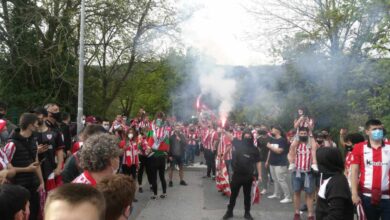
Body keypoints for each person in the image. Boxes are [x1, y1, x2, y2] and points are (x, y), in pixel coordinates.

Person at [4, 113, 45, 220]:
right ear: (30, 125)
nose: (38, 126)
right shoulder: (11, 144)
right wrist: (26, 169)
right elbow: (5, 169)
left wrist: (41, 182)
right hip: (19, 187)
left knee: (34, 214)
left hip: (34, 186)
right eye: (37, 123)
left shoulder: (33, 140)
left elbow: (36, 163)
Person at [351, 119, 390, 220]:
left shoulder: (389, 146)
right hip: (366, 196)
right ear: (367, 131)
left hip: (388, 196)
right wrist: (354, 194)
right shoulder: (359, 148)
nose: (378, 131)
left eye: (380, 129)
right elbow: (354, 172)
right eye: (374, 129)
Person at [223, 129, 262, 220]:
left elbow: (258, 162)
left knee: (247, 195)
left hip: (248, 175)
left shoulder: (254, 149)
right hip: (237, 174)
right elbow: (231, 137)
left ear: (252, 137)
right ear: (243, 136)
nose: (247, 137)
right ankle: (229, 212)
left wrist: (259, 175)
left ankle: (247, 213)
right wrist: (224, 130)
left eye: (249, 136)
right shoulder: (238, 143)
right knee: (233, 195)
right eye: (246, 136)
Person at [316, 147, 354, 220]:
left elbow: (335, 215)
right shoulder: (330, 178)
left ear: (327, 163)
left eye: (320, 163)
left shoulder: (337, 183)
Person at [289, 127, 317, 220]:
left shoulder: (311, 143)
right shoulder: (296, 143)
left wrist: (310, 133)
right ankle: (297, 213)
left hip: (308, 173)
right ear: (298, 134)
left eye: (304, 133)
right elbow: (291, 151)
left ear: (307, 134)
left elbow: (314, 149)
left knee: (309, 194)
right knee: (296, 192)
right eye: (301, 133)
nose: (303, 135)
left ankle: (310, 215)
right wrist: (291, 163)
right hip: (297, 172)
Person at [33, 107, 64, 191]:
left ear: (46, 117)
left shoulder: (55, 132)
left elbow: (60, 151)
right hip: (33, 172)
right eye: (33, 115)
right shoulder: (30, 133)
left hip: (50, 170)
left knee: (50, 195)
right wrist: (36, 152)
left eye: (38, 115)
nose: (35, 117)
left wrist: (59, 168)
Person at [146, 112, 169, 199]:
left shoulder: (152, 131)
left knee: (154, 176)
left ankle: (155, 194)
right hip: (162, 157)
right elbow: (167, 146)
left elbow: (148, 143)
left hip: (154, 156)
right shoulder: (165, 132)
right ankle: (164, 193)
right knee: (162, 176)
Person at [266, 126, 292, 203]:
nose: (271, 131)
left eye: (273, 130)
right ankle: (276, 194)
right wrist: (268, 160)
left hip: (281, 163)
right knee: (275, 179)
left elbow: (279, 151)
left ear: (278, 131)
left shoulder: (282, 140)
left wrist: (270, 146)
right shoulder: (272, 139)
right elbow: (270, 151)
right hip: (272, 162)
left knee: (281, 180)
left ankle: (288, 197)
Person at [256, 126, 271, 194]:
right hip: (262, 157)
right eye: (262, 129)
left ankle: (277, 190)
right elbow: (258, 147)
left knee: (273, 174)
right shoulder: (259, 139)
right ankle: (265, 188)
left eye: (264, 129)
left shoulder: (270, 138)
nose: (263, 130)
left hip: (270, 157)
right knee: (264, 174)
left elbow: (271, 149)